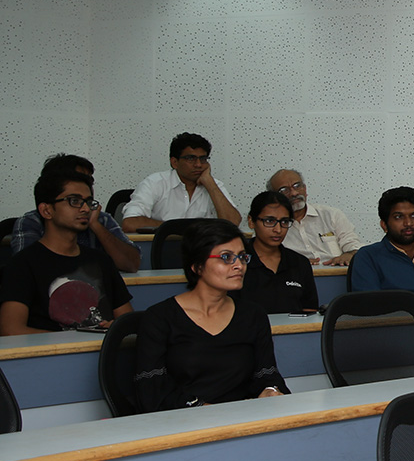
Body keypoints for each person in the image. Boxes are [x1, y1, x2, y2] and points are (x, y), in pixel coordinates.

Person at [133, 219, 289, 412]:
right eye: (226, 257)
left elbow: (267, 373)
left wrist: (270, 390)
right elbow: (153, 390)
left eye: (242, 257)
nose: (238, 265)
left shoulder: (253, 315)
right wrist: (210, 411)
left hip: (243, 419)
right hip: (182, 426)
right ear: (197, 265)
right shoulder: (159, 318)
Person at [1, 171, 133, 335]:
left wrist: (116, 327)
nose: (85, 209)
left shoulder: (101, 260)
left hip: (104, 355)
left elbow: (128, 321)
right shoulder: (23, 264)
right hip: (53, 357)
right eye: (74, 201)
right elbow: (11, 330)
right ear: (46, 210)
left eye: (88, 202)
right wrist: (76, 337)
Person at [10, 153, 142, 272]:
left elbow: (132, 264)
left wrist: (96, 226)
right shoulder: (31, 221)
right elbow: (26, 269)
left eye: (89, 181)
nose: (87, 186)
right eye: (74, 200)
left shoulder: (101, 219)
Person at [121, 132, 241, 232]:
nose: (198, 164)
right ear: (174, 162)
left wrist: (210, 184)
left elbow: (233, 223)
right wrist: (177, 229)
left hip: (202, 253)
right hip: (162, 252)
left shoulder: (214, 185)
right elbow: (130, 223)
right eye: (191, 158)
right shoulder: (155, 183)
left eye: (203, 159)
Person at [234, 191, 319, 315]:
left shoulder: (299, 262)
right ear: (251, 221)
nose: (278, 229)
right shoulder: (236, 261)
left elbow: (309, 310)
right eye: (269, 221)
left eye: (284, 222)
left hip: (293, 332)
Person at [268, 168, 363, 266]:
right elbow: (264, 257)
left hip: (336, 275)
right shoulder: (270, 225)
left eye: (297, 186)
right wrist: (295, 263)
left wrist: (350, 254)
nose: (294, 193)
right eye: (284, 190)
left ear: (305, 189)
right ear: (274, 197)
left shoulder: (331, 215)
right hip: (295, 277)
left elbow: (354, 246)